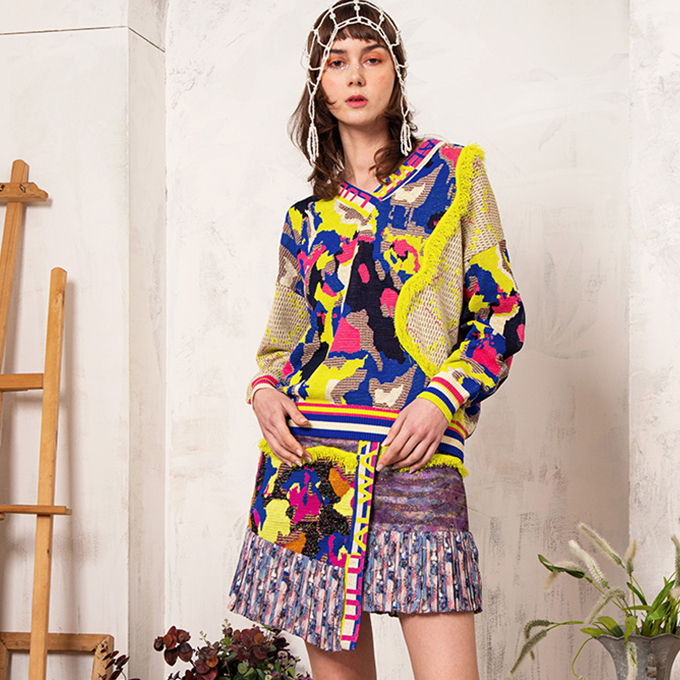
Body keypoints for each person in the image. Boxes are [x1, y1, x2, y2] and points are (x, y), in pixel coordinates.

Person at [228, 2, 525, 679]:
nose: (356, 75)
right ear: (319, 84)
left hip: (412, 449)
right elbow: (282, 345)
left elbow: (501, 316)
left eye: (372, 58)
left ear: (397, 72)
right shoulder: (306, 219)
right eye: (337, 62)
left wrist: (441, 399)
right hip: (307, 463)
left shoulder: (454, 176)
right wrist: (264, 392)